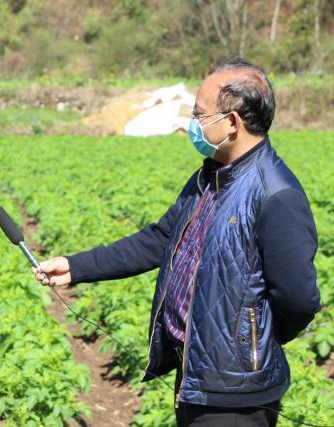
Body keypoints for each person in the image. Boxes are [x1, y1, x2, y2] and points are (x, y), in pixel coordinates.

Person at [33, 59, 321, 427]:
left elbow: (299, 300)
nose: (192, 125)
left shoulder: (275, 193)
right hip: (196, 374)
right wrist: (76, 267)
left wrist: (248, 343)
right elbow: (160, 239)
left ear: (232, 123)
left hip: (234, 395)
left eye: (200, 115)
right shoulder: (209, 176)